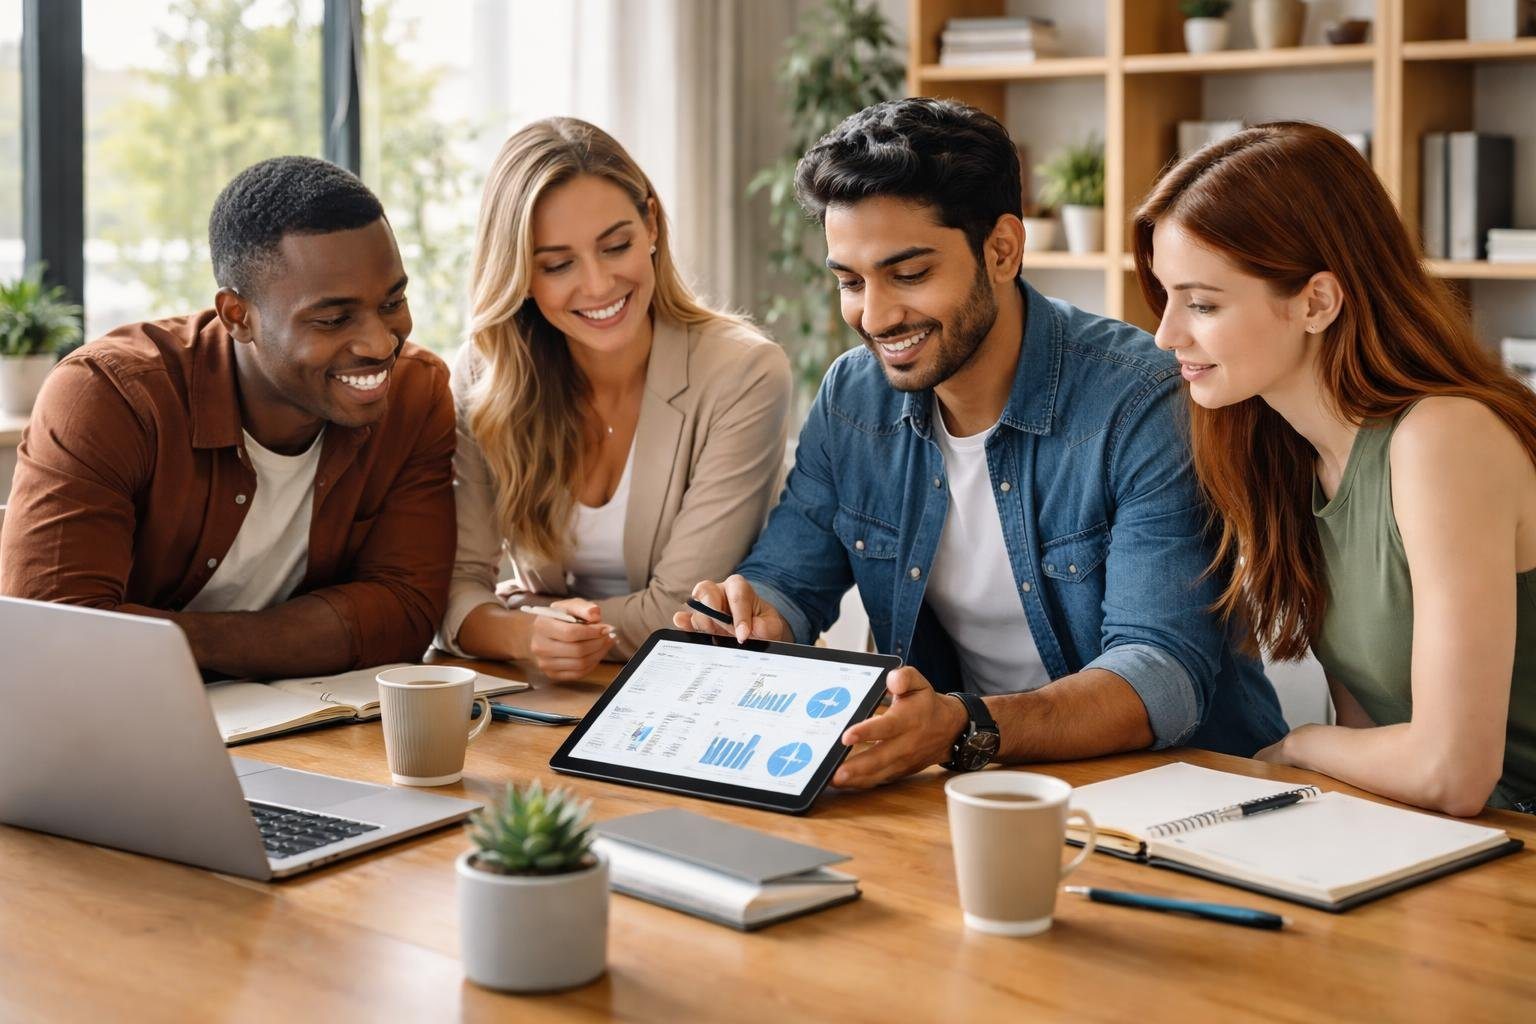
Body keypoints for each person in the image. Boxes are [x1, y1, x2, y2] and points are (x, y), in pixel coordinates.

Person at [675, 98, 1285, 789]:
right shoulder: (854, 398)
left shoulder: (1142, 401)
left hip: (1183, 793)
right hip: (967, 786)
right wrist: (750, 614)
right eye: (851, 281)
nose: (874, 317)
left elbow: (1161, 676)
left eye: (909, 275)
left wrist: (965, 727)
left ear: (1002, 250)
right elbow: (789, 580)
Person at [1133, 121, 1536, 816]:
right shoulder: (1289, 455)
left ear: (1317, 301)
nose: (1167, 333)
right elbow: (1379, 743)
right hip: (1450, 841)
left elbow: (1450, 771)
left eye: (1201, 303)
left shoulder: (1441, 438)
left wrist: (1301, 746)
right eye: (1167, 296)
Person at [0, 156, 455, 678]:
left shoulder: (416, 394)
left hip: (300, 729)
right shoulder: (110, 397)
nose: (380, 343)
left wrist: (163, 638)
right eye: (333, 319)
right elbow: (58, 637)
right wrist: (309, 634)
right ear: (238, 316)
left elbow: (406, 614)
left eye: (393, 301)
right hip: (110, 731)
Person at [440, 117, 791, 680]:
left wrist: (519, 614)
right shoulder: (486, 374)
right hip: (544, 695)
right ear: (520, 273)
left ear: (651, 223)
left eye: (616, 245)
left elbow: (680, 612)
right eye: (557, 264)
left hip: (702, 691)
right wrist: (525, 633)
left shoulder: (743, 372)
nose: (599, 285)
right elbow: (453, 590)